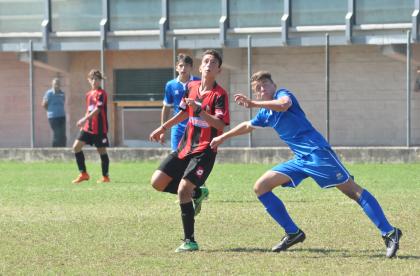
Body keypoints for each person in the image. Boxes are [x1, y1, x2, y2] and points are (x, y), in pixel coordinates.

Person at [210, 71, 402, 258]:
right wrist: (222, 137)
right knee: (261, 187)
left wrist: (253, 103)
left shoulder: (283, 94)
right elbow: (247, 126)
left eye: (264, 85)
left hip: (317, 153)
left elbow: (283, 105)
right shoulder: (265, 113)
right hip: (300, 160)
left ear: (273, 86)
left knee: (352, 191)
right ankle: (293, 233)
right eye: (257, 88)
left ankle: (389, 232)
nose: (261, 89)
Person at [149, 49, 230, 252]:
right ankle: (197, 192)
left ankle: (189, 241)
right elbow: (184, 113)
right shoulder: (191, 87)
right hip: (185, 147)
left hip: (205, 150)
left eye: (213, 62)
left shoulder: (220, 95)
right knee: (157, 182)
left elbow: (221, 123)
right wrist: (163, 128)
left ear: (218, 70)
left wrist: (201, 110)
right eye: (206, 61)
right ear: (200, 67)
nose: (209, 64)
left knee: (182, 191)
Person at [72, 69, 111, 184]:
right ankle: (83, 174)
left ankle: (105, 177)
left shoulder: (102, 94)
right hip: (88, 128)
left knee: (102, 151)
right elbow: (88, 110)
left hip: (99, 128)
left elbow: (98, 110)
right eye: (92, 79)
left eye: (97, 79)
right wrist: (84, 123)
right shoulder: (88, 95)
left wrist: (84, 119)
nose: (94, 81)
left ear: (100, 81)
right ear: (89, 80)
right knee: (76, 147)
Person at [161, 53, 200, 151]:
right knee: (176, 156)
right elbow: (166, 107)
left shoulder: (199, 82)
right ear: (176, 68)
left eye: (186, 66)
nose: (183, 68)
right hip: (177, 127)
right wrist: (162, 130)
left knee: (193, 157)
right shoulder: (170, 85)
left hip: (195, 126)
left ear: (191, 67)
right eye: (181, 66)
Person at [42, 78, 66, 147]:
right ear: (52, 84)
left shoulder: (62, 93)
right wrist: (50, 111)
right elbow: (44, 104)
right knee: (57, 133)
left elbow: (63, 102)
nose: (57, 85)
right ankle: (54, 151)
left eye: (58, 83)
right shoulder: (49, 93)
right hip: (53, 117)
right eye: (55, 84)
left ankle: (63, 149)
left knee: (63, 134)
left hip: (62, 116)